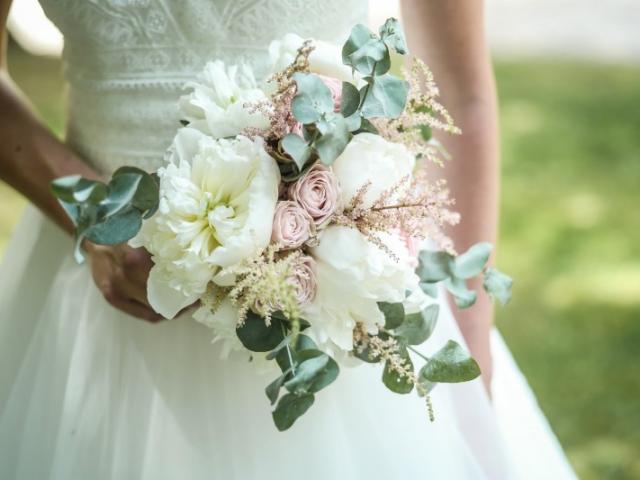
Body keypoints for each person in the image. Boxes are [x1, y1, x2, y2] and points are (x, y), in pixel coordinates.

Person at [0, 1, 577, 478]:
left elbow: (460, 92)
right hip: (96, 300)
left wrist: (472, 372)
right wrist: (96, 219)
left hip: (338, 299)